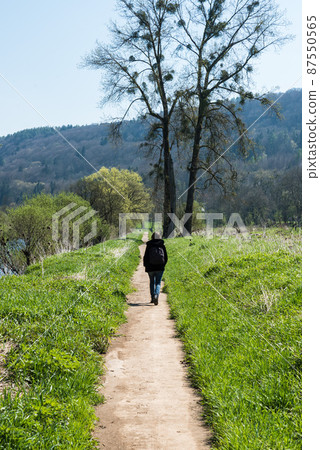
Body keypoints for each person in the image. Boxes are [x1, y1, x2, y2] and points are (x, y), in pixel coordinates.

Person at [143, 232, 168, 305]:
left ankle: (152, 297)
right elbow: (165, 257)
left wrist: (146, 265)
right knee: (158, 282)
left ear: (152, 237)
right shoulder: (162, 245)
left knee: (152, 282)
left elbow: (146, 256)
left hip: (150, 267)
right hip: (160, 267)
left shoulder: (149, 245)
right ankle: (156, 295)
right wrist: (163, 265)